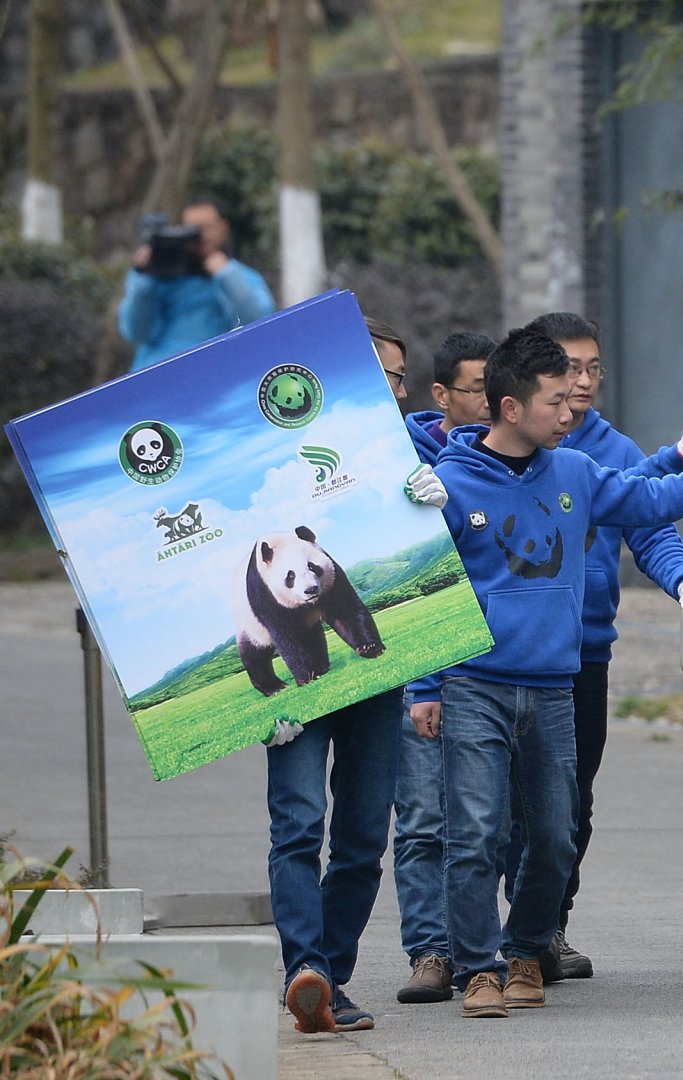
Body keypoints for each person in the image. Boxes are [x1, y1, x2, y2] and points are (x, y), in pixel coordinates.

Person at [405, 327, 683, 1018]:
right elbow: (427, 593)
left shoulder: (576, 473)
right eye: (554, 403)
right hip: (473, 684)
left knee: (555, 834)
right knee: (473, 832)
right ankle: (478, 968)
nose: (570, 415)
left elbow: (654, 501)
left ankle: (527, 947)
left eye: (572, 399)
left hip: (555, 687)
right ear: (510, 408)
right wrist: (425, 688)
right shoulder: (446, 486)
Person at [521, 311, 683, 981]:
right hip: (501, 657)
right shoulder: (504, 447)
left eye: (592, 369)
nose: (581, 383)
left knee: (570, 801)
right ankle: (482, 938)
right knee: (495, 809)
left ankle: (546, 929)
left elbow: (651, 523)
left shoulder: (613, 451)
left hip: (583, 654)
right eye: (567, 369)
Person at [273, 318, 449, 1035]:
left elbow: (474, 468)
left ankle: (327, 979)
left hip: (381, 673)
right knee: (296, 826)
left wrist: (433, 502)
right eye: (380, 376)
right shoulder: (281, 455)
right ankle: (302, 969)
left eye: (398, 379)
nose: (393, 390)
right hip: (297, 682)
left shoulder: (410, 450)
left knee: (360, 838)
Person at [390, 330, 497, 1005]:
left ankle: (497, 950)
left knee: (493, 823)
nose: (491, 402)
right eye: (477, 389)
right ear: (442, 395)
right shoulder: (395, 457)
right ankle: (430, 951)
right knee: (425, 817)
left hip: (496, 669)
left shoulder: (523, 458)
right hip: (424, 663)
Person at [119, 198, 276, 371]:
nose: (201, 236)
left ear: (224, 227)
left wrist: (227, 275)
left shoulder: (242, 276)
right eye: (192, 229)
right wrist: (144, 279)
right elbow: (135, 332)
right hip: (158, 370)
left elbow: (257, 323)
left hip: (213, 372)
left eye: (208, 227)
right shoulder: (158, 273)